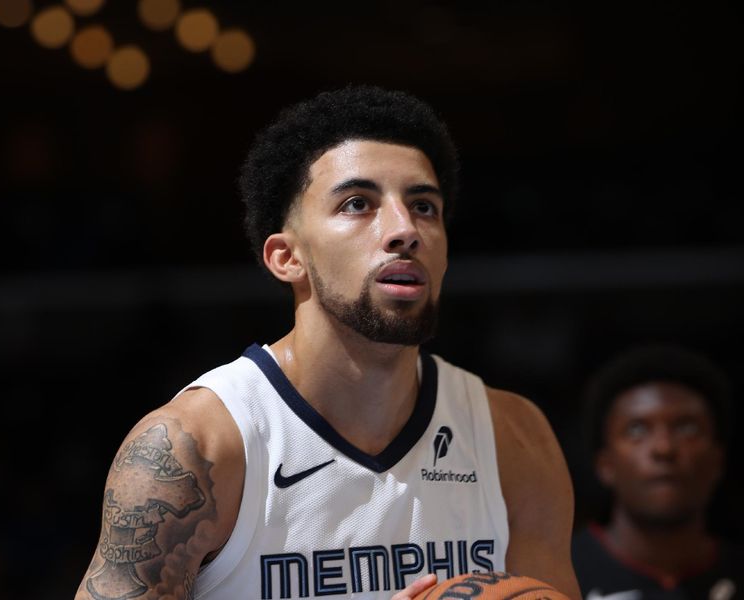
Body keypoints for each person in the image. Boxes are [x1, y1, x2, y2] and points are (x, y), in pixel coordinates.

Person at [75, 85, 580, 600]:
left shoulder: (514, 437)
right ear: (286, 258)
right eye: (358, 203)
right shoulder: (194, 450)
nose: (405, 230)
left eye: (424, 206)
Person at [572, 344, 743, 600]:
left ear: (717, 460)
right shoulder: (557, 579)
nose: (664, 448)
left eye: (687, 428)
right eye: (637, 430)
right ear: (605, 464)